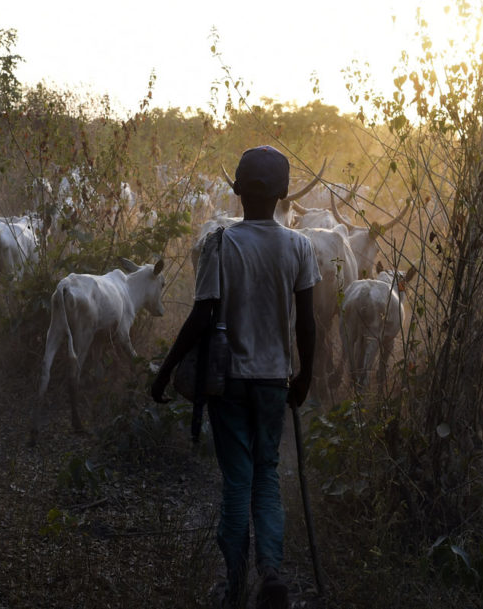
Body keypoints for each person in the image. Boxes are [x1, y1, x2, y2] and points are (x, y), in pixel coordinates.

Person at [151, 146, 320, 609]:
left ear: (236, 190)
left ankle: (234, 581)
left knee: (236, 481)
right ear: (285, 194)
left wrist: (166, 371)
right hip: (273, 383)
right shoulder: (299, 246)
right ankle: (270, 572)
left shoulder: (220, 243)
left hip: (228, 383)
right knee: (266, 475)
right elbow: (307, 323)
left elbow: (202, 316)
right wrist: (304, 376)